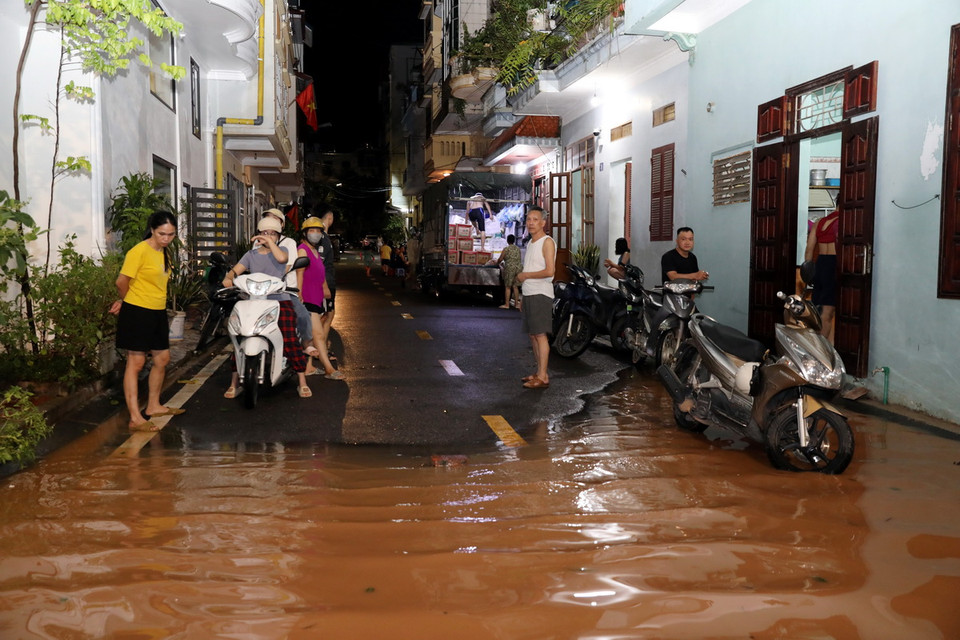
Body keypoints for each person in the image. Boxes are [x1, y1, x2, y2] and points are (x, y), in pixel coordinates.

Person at [109, 210, 186, 431]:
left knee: (162, 359)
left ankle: (153, 406)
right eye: (162, 233)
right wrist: (127, 301)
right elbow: (121, 281)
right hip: (137, 312)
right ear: (152, 229)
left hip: (157, 311)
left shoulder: (165, 253)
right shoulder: (139, 251)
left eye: (171, 234)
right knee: (136, 363)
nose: (166, 238)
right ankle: (135, 417)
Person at [221, 215, 312, 399]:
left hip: (279, 299)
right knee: (240, 336)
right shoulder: (250, 255)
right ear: (258, 234)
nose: (268, 236)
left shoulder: (282, 250)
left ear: (278, 236)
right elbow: (235, 271)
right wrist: (229, 278)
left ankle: (302, 380)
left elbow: (281, 258)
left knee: (289, 336)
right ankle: (234, 382)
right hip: (253, 300)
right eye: (264, 233)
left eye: (273, 233)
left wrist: (271, 242)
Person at [262, 208, 315, 357]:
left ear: (282, 225)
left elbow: (287, 266)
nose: (271, 223)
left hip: (284, 290)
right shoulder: (257, 243)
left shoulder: (288, 242)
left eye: (275, 219)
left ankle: (306, 344)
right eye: (268, 219)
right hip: (262, 291)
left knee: (303, 316)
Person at [297, 217, 344, 380]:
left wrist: (324, 287)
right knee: (317, 334)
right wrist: (299, 293)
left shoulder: (315, 251)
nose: (315, 234)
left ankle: (309, 367)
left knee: (310, 336)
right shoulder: (302, 250)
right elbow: (300, 274)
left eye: (318, 231)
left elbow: (320, 272)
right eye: (312, 231)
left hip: (316, 298)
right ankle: (328, 369)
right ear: (305, 233)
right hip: (308, 298)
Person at [516, 207, 556, 389]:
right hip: (530, 293)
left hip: (541, 293)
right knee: (533, 335)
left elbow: (550, 271)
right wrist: (523, 296)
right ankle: (540, 372)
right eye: (528, 219)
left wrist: (526, 276)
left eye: (535, 219)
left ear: (543, 222)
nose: (531, 223)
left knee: (540, 335)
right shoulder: (531, 243)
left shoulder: (547, 242)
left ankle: (542, 376)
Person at [805, 209, 839, 344]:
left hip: (819, 265)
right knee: (827, 312)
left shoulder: (819, 222)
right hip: (833, 264)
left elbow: (809, 250)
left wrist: (809, 272)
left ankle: (830, 348)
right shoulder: (842, 221)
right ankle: (818, 350)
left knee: (819, 311)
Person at [317, 210, 339, 358]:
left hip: (325, 281)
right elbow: (320, 263)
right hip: (325, 282)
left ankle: (320, 347)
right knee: (327, 315)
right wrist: (325, 285)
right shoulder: (323, 238)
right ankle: (320, 349)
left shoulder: (322, 237)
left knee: (325, 315)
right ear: (329, 218)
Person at [496, 234, 522, 309]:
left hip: (510, 268)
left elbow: (500, 259)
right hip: (518, 268)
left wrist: (497, 263)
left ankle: (507, 304)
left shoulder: (506, 249)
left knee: (508, 287)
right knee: (515, 286)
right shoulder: (518, 249)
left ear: (507, 241)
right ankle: (516, 304)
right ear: (514, 240)